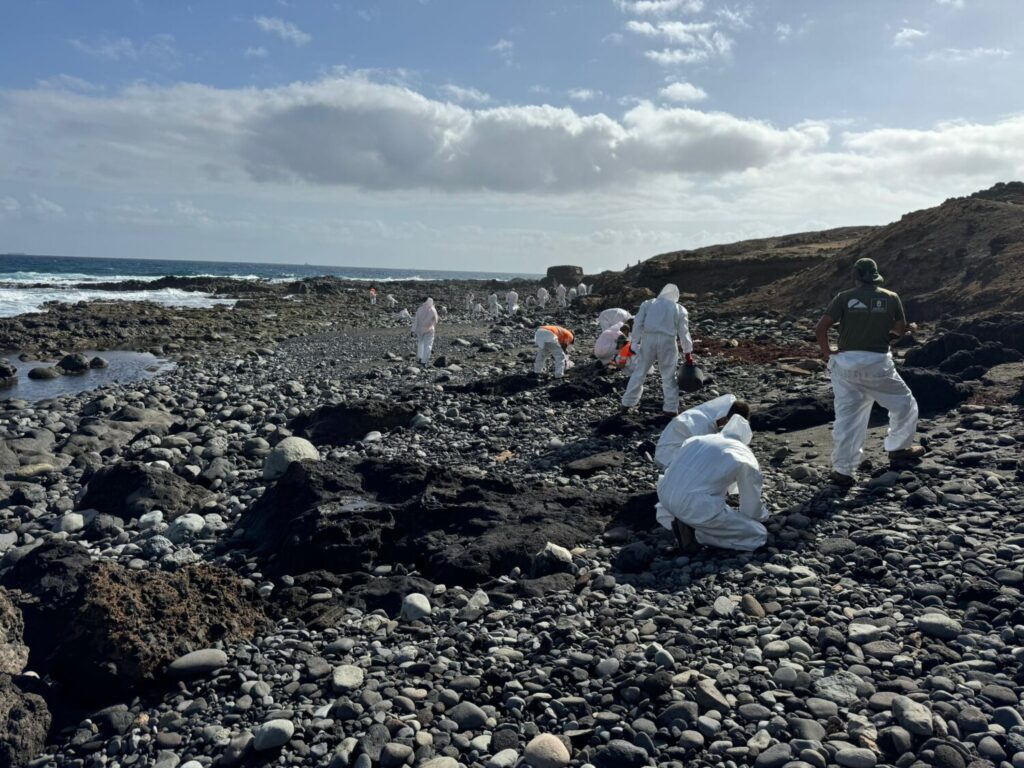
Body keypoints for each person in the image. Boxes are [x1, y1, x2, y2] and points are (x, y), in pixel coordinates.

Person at [816, 258, 924, 487]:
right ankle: (899, 448)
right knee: (904, 403)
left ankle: (843, 471)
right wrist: (909, 328)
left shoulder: (843, 298)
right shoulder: (890, 297)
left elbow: (821, 327)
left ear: (855, 276)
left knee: (848, 418)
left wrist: (827, 353)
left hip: (845, 366)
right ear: (876, 275)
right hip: (876, 365)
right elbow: (897, 331)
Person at [656, 414, 768, 552]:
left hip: (665, 494)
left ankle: (685, 522)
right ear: (745, 439)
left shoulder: (697, 439)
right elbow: (750, 502)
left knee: (698, 497)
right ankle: (698, 535)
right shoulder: (743, 453)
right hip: (693, 505)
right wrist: (759, 517)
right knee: (758, 534)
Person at [621, 284, 693, 414]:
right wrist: (688, 352)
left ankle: (627, 403)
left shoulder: (648, 304)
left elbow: (637, 323)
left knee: (640, 372)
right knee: (669, 376)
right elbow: (684, 332)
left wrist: (634, 343)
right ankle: (670, 408)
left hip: (648, 340)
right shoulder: (679, 309)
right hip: (668, 342)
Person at [654, 395, 750, 468]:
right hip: (669, 457)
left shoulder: (705, 416)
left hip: (669, 453)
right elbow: (706, 453)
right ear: (725, 418)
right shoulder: (703, 425)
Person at [413, 297, 439, 365]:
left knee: (420, 343)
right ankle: (424, 361)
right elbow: (436, 320)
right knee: (428, 345)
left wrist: (413, 330)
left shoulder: (420, 309)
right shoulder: (432, 310)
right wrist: (432, 325)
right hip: (429, 329)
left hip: (419, 329)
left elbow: (416, 320)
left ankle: (420, 357)